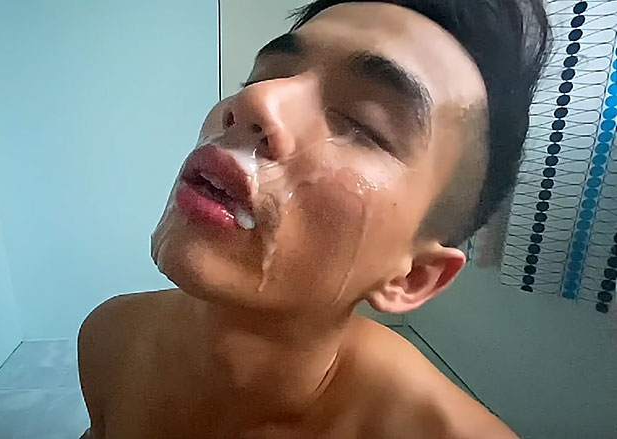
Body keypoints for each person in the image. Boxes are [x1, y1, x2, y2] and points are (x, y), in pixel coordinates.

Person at [78, 1, 550, 437]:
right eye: (260, 77)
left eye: (361, 123)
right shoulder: (109, 341)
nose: (256, 102)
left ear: (413, 277)